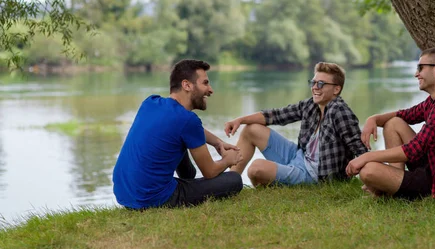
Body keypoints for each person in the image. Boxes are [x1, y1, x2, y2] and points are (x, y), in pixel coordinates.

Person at [346, 47, 435, 203]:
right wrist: (373, 118)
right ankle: (389, 188)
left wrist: (366, 157)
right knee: (393, 123)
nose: (416, 73)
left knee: (368, 171)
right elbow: (403, 115)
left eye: (420, 68)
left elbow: (414, 149)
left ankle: (387, 187)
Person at [113, 59, 243, 209]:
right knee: (234, 180)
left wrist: (217, 143)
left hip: (124, 193)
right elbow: (210, 172)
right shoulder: (188, 120)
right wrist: (228, 160)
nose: (211, 90)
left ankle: (188, 180)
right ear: (187, 85)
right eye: (205, 83)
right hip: (153, 199)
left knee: (185, 160)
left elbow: (184, 126)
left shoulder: (150, 102)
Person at [224, 62, 367, 186]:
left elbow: (360, 150)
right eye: (313, 82)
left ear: (336, 89)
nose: (315, 87)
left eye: (321, 84)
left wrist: (370, 183)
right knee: (251, 129)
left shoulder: (340, 111)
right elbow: (276, 115)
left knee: (256, 168)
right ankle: (229, 184)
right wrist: (240, 120)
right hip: (299, 156)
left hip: (315, 176)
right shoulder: (311, 104)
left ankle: (274, 186)